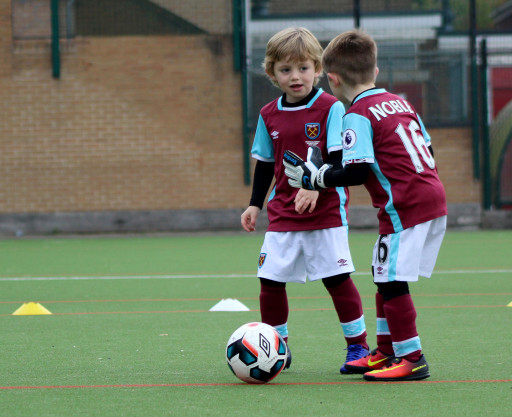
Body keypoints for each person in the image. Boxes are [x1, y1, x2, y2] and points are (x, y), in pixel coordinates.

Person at [283, 29, 447, 382]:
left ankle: (411, 356)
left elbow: (356, 170)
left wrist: (316, 178)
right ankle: (386, 351)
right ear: (375, 70)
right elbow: (428, 149)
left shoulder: (356, 113)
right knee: (382, 274)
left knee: (392, 282)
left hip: (405, 205)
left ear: (332, 79)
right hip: (428, 194)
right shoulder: (401, 102)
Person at [241, 27, 369, 373]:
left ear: (317, 69)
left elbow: (341, 159)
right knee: (269, 281)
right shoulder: (269, 114)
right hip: (283, 211)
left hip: (326, 209)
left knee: (336, 278)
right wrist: (255, 203)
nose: (295, 77)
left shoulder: (331, 108)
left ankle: (358, 347)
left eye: (303, 68)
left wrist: (317, 184)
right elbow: (266, 164)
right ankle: (277, 346)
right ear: (272, 74)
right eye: (285, 70)